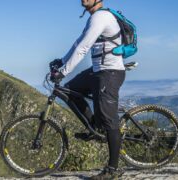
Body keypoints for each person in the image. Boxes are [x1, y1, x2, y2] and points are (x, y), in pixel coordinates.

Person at [50, 0, 126, 179]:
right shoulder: (94, 18)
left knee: (109, 120)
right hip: (97, 71)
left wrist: (63, 72)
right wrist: (61, 61)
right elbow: (78, 43)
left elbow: (84, 48)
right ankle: (94, 128)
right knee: (69, 91)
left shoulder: (101, 17)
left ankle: (113, 169)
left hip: (110, 72)